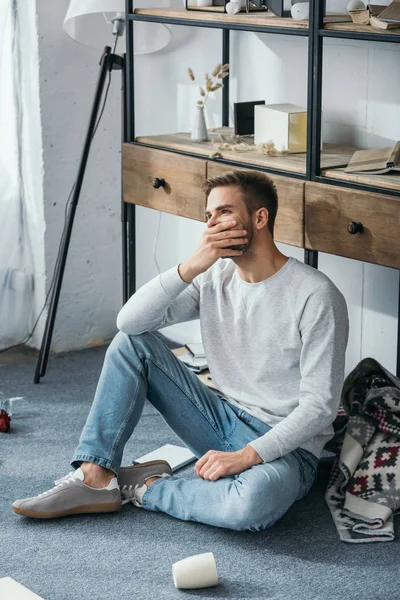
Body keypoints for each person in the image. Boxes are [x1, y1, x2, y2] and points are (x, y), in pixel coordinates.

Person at [12, 170, 349, 531]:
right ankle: (95, 475)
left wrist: (246, 456)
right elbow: (129, 323)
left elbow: (319, 407)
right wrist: (190, 267)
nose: (211, 225)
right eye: (208, 217)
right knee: (131, 345)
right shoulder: (211, 278)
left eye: (223, 212)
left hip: (287, 449)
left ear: (260, 218)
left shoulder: (316, 295)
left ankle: (146, 487)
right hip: (221, 418)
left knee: (251, 505)